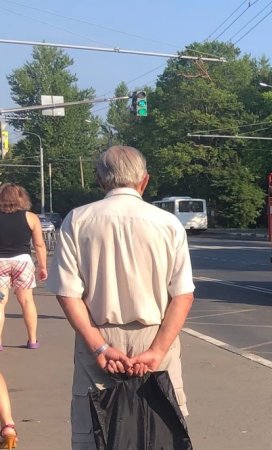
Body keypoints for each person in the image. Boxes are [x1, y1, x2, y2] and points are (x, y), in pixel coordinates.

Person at [46, 146, 195, 449]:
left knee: (96, 431)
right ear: (144, 181)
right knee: (162, 430)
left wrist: (99, 346)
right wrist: (156, 351)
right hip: (156, 338)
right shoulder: (168, 224)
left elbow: (67, 293)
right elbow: (182, 296)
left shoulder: (77, 221)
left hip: (98, 336)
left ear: (101, 181)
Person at [0, 183, 47, 350]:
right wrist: (43, 267)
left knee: (0, 303)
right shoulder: (31, 217)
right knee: (27, 301)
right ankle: (32, 340)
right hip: (23, 262)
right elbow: (39, 245)